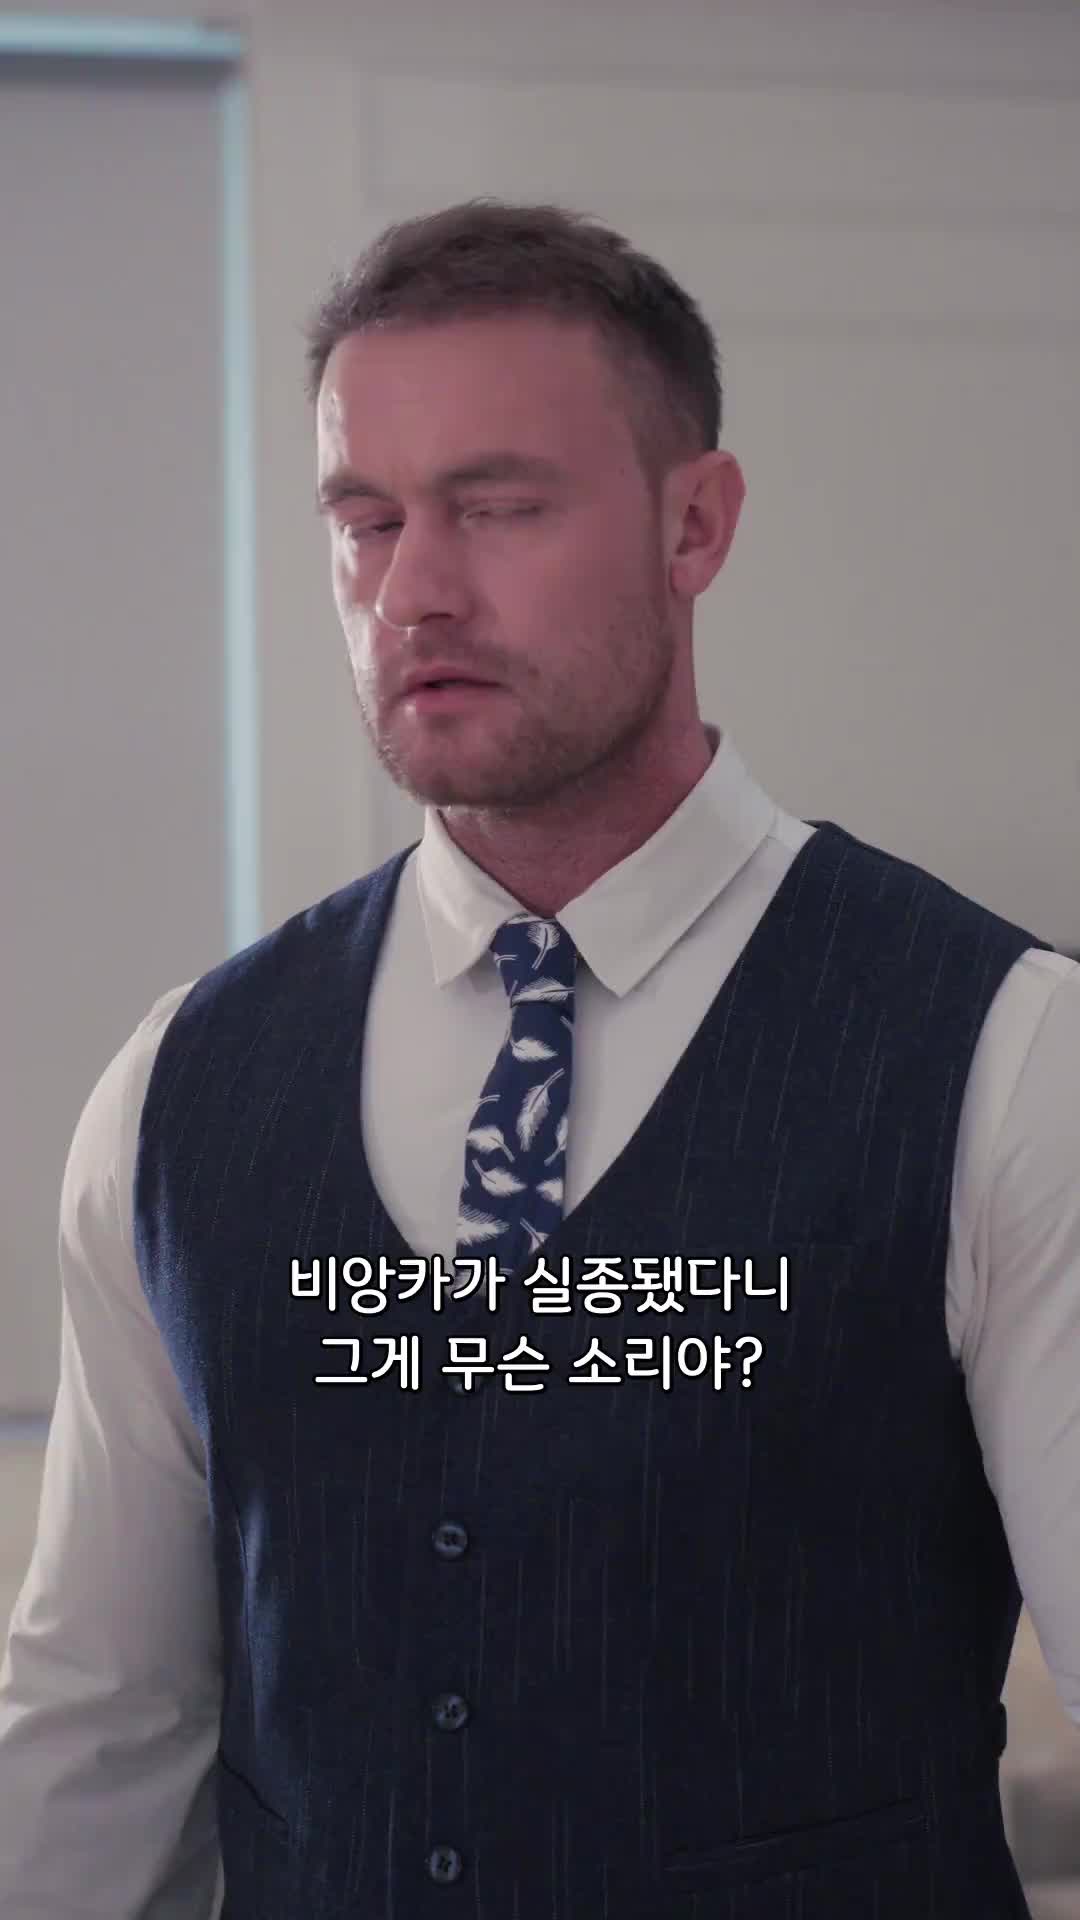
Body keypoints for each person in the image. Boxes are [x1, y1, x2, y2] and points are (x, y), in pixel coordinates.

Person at [0, 197, 1077, 1920]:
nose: (414, 589)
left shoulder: (1010, 1057)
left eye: (498, 507)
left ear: (694, 523)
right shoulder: (179, 1087)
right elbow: (101, 1725)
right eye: (366, 520)